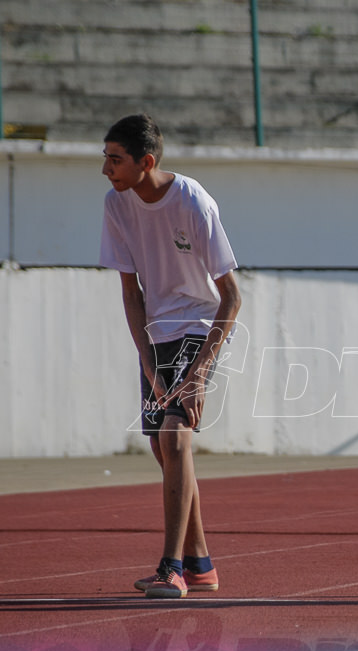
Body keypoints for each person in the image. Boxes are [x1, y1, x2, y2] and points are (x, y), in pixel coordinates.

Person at [99, 114, 242, 598]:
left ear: (147, 161)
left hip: (197, 328)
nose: (106, 169)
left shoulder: (192, 202)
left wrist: (200, 371)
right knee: (163, 449)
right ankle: (201, 564)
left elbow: (232, 297)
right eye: (106, 158)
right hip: (156, 334)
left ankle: (171, 568)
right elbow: (131, 291)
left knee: (174, 437)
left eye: (115, 160)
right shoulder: (116, 204)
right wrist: (144, 358)